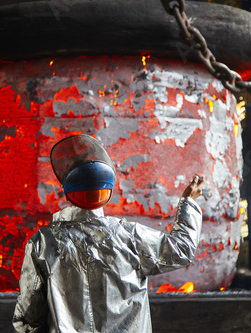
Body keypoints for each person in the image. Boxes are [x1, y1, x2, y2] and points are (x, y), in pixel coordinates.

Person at [13, 134, 204, 333]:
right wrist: (189, 202)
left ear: (68, 194)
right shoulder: (129, 236)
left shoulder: (43, 242)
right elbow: (182, 249)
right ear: (108, 194)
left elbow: (30, 314)